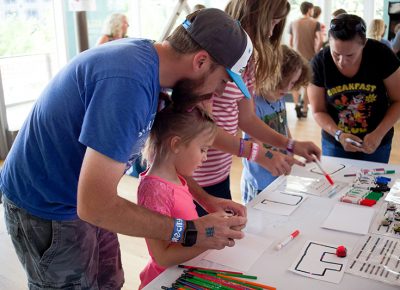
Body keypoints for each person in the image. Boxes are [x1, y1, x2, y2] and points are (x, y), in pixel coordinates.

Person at [0, 8, 252, 289]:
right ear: (201, 61)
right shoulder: (129, 83)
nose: (216, 93)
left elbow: (162, 164)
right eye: (222, 82)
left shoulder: (153, 70)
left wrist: (205, 200)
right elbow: (94, 205)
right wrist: (189, 230)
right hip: (46, 205)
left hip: (85, 198)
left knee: (110, 281)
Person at [192, 0, 321, 216]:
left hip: (219, 175)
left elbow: (247, 119)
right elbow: (199, 127)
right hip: (193, 177)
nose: (271, 33)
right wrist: (258, 153)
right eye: (272, 23)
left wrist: (290, 144)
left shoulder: (247, 61)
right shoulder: (210, 57)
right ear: (254, 16)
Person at [137, 104, 217, 289]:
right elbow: (162, 257)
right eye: (203, 149)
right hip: (165, 280)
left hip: (183, 272)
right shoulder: (154, 190)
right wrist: (211, 238)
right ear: (176, 144)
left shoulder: (177, 177)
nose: (205, 157)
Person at [308, 14, 400, 163]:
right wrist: (339, 134)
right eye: (336, 54)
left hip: (378, 141)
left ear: (364, 44)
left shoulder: (382, 55)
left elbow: (398, 100)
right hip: (335, 142)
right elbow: (318, 111)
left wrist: (379, 133)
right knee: (336, 185)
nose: (342, 62)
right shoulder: (319, 63)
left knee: (373, 186)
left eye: (350, 55)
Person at [241, 45, 311, 203]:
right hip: (258, 182)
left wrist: (291, 147)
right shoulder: (252, 104)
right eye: (283, 83)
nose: (287, 89)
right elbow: (253, 143)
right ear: (269, 76)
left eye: (293, 83)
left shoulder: (279, 98)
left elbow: (283, 126)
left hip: (279, 176)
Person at [289, 1, 322, 119]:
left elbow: (291, 42)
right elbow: (320, 40)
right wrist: (316, 52)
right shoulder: (315, 23)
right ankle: (304, 109)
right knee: (308, 84)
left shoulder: (293, 23)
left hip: (296, 57)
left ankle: (296, 104)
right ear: (309, 10)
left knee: (294, 83)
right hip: (310, 57)